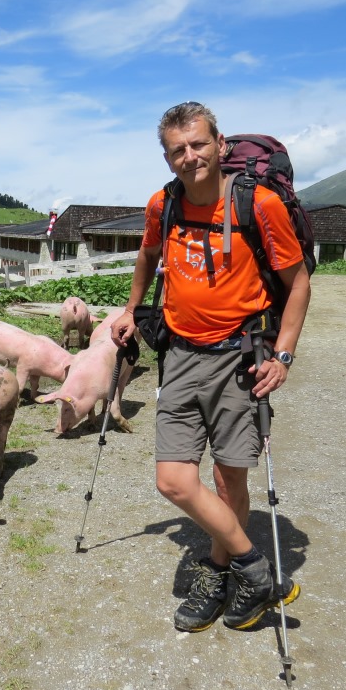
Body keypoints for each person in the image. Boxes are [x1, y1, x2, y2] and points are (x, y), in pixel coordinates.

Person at [111, 102, 311, 633]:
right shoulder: (164, 204)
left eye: (199, 144)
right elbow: (147, 257)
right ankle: (257, 569)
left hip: (239, 359)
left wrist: (284, 354)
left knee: (228, 480)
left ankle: (223, 571)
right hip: (178, 356)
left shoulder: (259, 204)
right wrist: (132, 309)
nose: (190, 156)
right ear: (167, 156)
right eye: (178, 149)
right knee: (173, 480)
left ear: (220, 145)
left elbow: (298, 285)